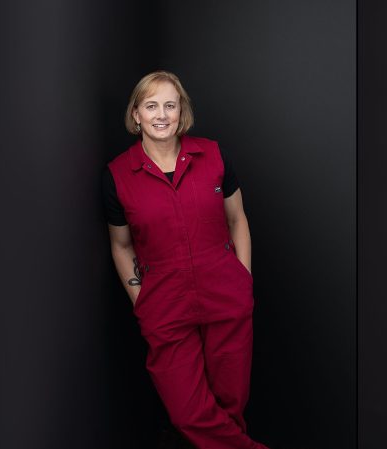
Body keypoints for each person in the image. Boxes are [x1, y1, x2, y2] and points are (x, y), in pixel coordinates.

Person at [103, 71, 269, 449]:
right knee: (188, 413)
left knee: (230, 405)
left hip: (226, 296)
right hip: (165, 306)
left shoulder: (213, 154)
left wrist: (243, 279)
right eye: (151, 105)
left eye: (170, 105)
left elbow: (237, 219)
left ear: (182, 113)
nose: (161, 114)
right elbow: (121, 245)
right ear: (136, 115)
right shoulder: (117, 176)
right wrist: (140, 298)